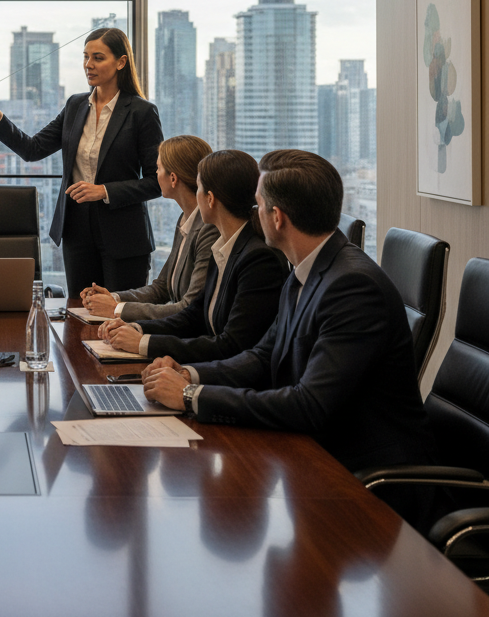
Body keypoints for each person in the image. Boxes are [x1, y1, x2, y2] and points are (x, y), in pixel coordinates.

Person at [141, 149, 435, 477]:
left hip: (366, 478)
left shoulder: (352, 288)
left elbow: (308, 405)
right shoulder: (305, 270)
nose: (255, 214)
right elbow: (263, 355)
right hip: (314, 454)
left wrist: (190, 396)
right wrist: (190, 374)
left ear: (277, 217)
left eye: (259, 206)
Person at [0, 27, 163, 296]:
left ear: (121, 62)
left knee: (119, 317)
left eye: (98, 57)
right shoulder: (75, 106)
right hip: (76, 230)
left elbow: (158, 182)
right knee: (79, 312)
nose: (88, 65)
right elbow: (33, 149)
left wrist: (104, 191)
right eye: (85, 57)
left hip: (124, 235)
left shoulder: (142, 112)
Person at [98, 149, 285, 362]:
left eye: (199, 188)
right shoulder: (223, 247)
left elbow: (232, 345)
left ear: (210, 199)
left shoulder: (258, 259)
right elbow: (193, 315)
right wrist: (137, 328)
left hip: (226, 376)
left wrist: (143, 343)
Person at [79, 134, 218, 320]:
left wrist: (116, 309)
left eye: (158, 168)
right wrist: (113, 297)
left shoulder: (208, 228)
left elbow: (189, 308)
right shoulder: (185, 219)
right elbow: (162, 288)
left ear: (173, 179)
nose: (155, 174)